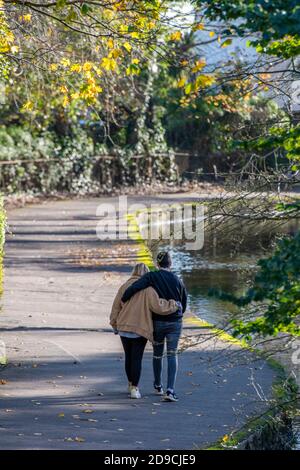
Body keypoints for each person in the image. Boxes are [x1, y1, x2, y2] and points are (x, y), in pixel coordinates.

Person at [121, 251, 187, 402]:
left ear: (157, 264)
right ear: (170, 264)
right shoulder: (178, 280)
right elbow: (183, 303)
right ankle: (170, 391)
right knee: (172, 354)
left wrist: (125, 297)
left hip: (158, 322)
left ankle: (158, 385)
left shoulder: (152, 277)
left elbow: (136, 287)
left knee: (157, 354)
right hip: (175, 322)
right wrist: (178, 312)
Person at [110, 263, 179, 399]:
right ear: (146, 274)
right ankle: (135, 389)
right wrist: (174, 304)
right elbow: (158, 307)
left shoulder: (124, 286)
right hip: (139, 328)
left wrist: (114, 323)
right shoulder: (148, 289)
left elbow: (115, 306)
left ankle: (130, 384)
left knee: (128, 357)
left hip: (123, 326)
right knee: (136, 358)